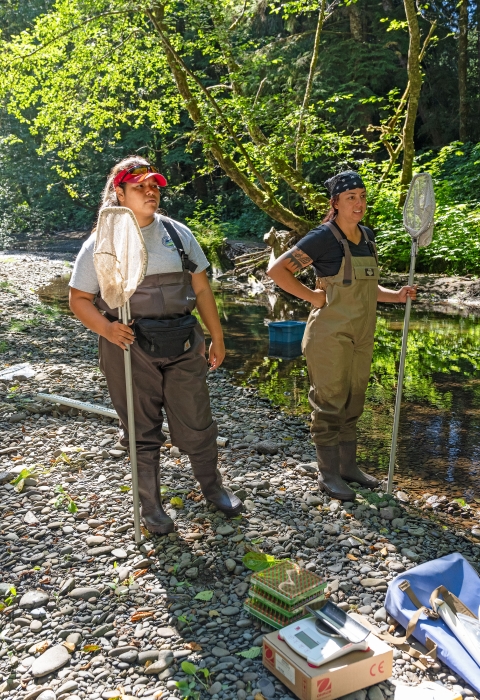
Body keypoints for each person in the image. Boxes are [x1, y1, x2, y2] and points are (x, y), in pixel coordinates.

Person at [69, 156, 242, 534]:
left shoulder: (178, 234)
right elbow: (79, 300)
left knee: (197, 420)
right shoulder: (102, 243)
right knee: (141, 429)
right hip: (128, 348)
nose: (151, 192)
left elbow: (200, 288)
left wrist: (217, 335)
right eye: (140, 186)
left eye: (155, 186)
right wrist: (108, 329)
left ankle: (214, 490)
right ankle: (151, 508)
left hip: (182, 342)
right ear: (120, 193)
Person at [267, 170, 417, 501]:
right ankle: (328, 475)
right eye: (351, 198)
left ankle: (349, 468)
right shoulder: (323, 237)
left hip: (362, 334)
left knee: (354, 400)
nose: (359, 203)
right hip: (329, 335)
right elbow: (277, 270)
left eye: (362, 196)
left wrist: (396, 295)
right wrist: (313, 297)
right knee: (330, 402)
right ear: (335, 203)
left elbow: (366, 287)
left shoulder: (367, 235)